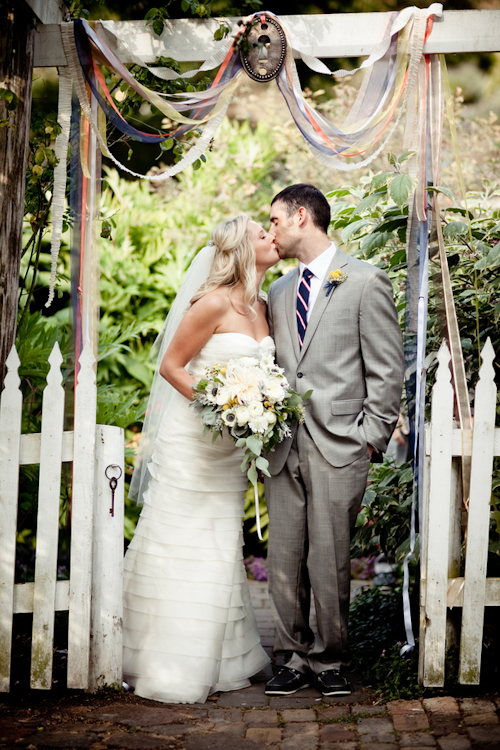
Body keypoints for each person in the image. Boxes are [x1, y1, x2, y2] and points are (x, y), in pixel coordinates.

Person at [123, 215, 278, 704]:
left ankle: (223, 654)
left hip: (230, 452)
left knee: (218, 544)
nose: (272, 237)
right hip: (194, 442)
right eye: (262, 233)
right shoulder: (210, 303)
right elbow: (171, 366)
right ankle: (166, 660)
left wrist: (255, 412)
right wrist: (224, 407)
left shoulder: (264, 305)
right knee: (181, 539)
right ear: (240, 249)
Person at [264, 184, 404, 697]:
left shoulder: (365, 281)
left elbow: (387, 371)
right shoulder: (278, 293)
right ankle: (290, 657)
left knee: (329, 556)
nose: (271, 229)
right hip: (283, 446)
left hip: (341, 443)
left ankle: (331, 659)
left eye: (275, 219)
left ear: (302, 216)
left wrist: (370, 437)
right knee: (283, 557)